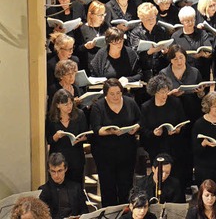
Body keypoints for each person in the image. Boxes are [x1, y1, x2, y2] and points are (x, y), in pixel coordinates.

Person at [90, 78, 141, 206]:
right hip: (105, 153)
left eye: (118, 93)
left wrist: (135, 127)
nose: (116, 96)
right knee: (108, 188)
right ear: (105, 94)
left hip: (127, 151)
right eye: (112, 94)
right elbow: (96, 129)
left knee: (126, 185)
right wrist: (110, 131)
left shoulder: (130, 103)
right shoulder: (98, 106)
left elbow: (140, 120)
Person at [139, 75, 188, 186]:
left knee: (175, 175)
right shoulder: (146, 107)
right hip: (156, 146)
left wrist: (178, 129)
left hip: (174, 145)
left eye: (166, 91)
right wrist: (153, 133)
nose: (164, 95)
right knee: (159, 175)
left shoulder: (175, 103)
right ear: (154, 92)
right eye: (161, 92)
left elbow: (183, 122)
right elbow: (143, 129)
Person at [45, 91, 89, 185]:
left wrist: (82, 139)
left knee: (76, 186)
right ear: (58, 105)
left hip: (76, 156)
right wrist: (56, 136)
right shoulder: (51, 118)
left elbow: (86, 134)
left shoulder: (79, 114)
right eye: (65, 104)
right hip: (58, 158)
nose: (69, 106)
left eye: (70, 103)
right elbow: (49, 139)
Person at [159, 44, 204, 123]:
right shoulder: (164, 73)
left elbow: (202, 96)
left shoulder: (195, 72)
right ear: (170, 60)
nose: (179, 61)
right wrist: (171, 94)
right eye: (175, 59)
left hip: (192, 110)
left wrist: (200, 93)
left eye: (181, 57)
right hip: (172, 110)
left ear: (185, 57)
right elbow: (159, 95)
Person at [129, 2, 170, 82]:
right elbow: (135, 55)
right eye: (148, 19)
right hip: (144, 72)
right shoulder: (136, 32)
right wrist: (148, 52)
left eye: (153, 18)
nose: (151, 21)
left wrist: (166, 52)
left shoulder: (162, 30)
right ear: (142, 19)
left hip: (161, 70)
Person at [38, 153, 87, 219]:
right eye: (53, 171)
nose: (56, 175)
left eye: (59, 171)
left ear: (65, 169)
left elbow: (85, 212)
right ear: (49, 171)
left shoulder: (76, 188)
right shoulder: (43, 190)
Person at [172, 6, 214, 80]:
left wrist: (204, 54)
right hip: (183, 73)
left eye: (192, 20)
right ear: (182, 21)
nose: (191, 23)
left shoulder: (202, 33)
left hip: (201, 71)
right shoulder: (176, 36)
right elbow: (173, 55)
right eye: (187, 21)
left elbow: (208, 48)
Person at [75, 0, 109, 69]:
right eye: (100, 15)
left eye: (103, 14)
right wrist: (85, 46)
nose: (102, 18)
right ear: (91, 15)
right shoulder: (82, 29)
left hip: (105, 63)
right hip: (89, 64)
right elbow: (76, 50)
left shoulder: (106, 26)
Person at [46, 33, 80, 97]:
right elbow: (51, 87)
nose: (71, 51)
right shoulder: (51, 65)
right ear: (59, 49)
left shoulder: (75, 60)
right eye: (68, 49)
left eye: (72, 48)